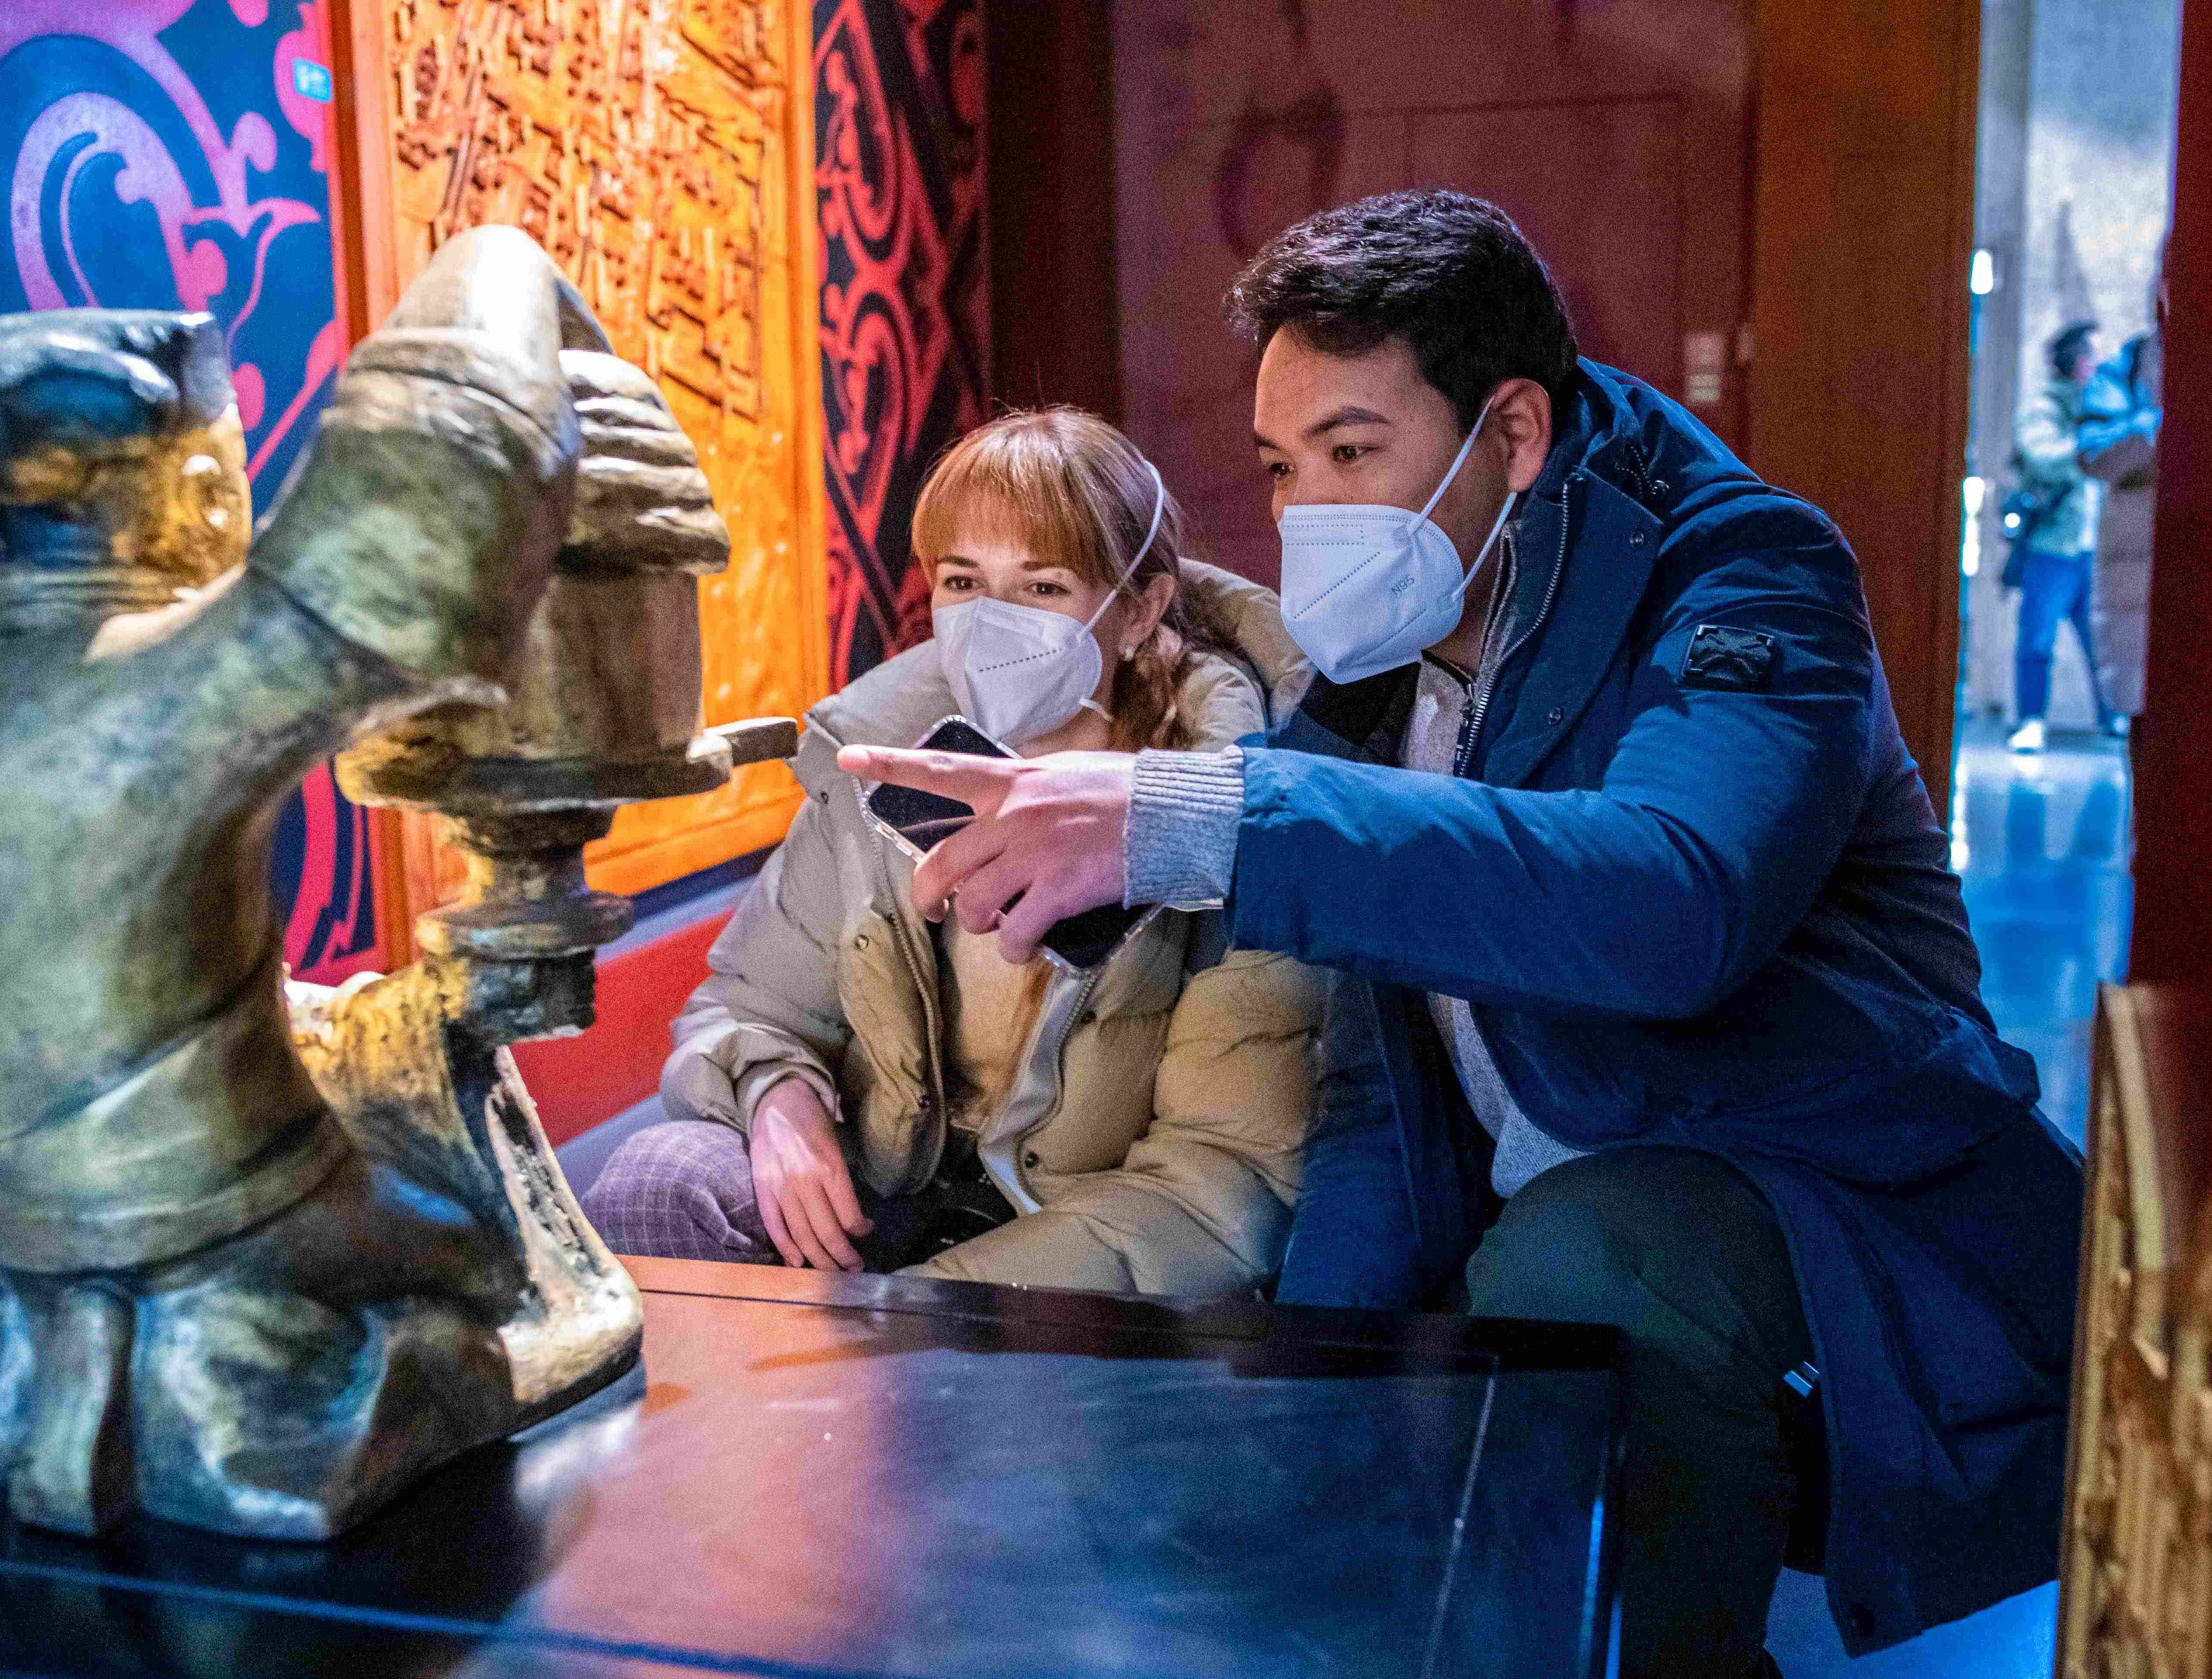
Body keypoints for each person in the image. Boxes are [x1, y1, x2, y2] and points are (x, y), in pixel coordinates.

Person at [843, 191, 2082, 1677]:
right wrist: (1320, 1389)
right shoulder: (1382, 666)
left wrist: (1207, 814)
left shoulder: (1747, 579)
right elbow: (1381, 1084)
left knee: (1588, 1263)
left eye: (1352, 452)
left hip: (1824, 1167)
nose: (1304, 516)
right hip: (1535, 1185)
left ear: (1512, 433)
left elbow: (1670, 900)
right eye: (1280, 466)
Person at [582, 408, 1324, 1296]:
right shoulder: (879, 759)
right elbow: (750, 1005)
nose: (991, 621)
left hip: (1084, 1235)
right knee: (657, 1179)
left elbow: (1217, 1185)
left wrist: (917, 1308)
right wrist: (776, 1096)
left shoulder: (1227, 808)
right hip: (892, 1186)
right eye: (962, 580)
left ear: (1138, 610)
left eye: (1042, 586)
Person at [2005, 319, 2108, 751]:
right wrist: (2092, 447)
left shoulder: (2103, 405)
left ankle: (2113, 719)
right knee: (2038, 639)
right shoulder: (2044, 407)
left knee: (2105, 644)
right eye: (2095, 356)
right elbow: (2043, 458)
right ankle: (2032, 720)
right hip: (2052, 546)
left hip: (2095, 548)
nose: (2102, 365)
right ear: (2078, 361)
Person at [2078, 264, 2167, 727]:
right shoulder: (2130, 365)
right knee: (2148, 720)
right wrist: (2157, 427)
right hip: (2137, 569)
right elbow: (2093, 452)